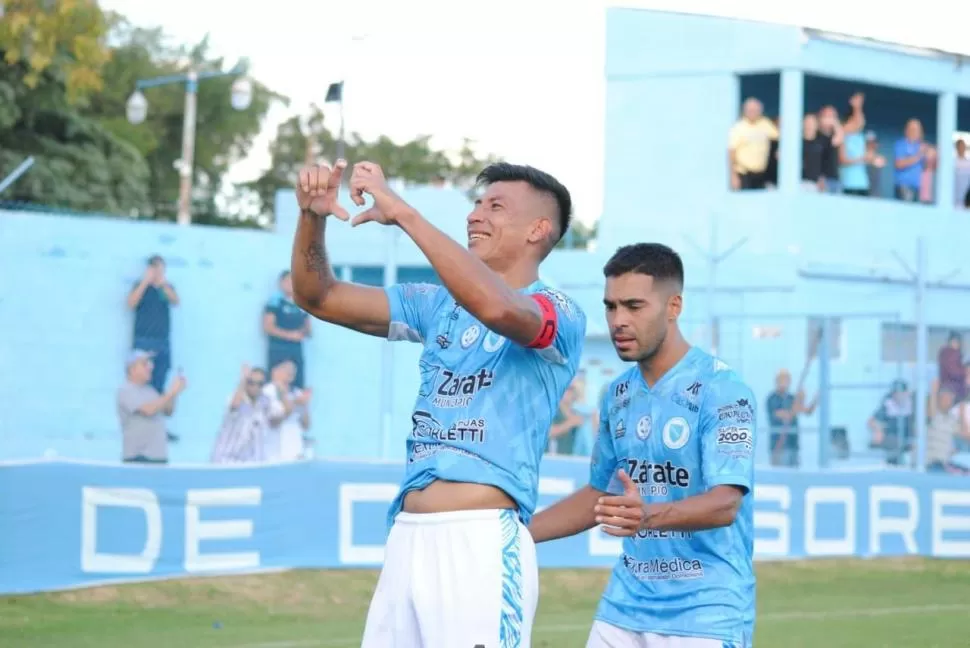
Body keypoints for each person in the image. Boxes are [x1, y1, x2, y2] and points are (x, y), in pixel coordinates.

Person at [290, 159, 586, 647]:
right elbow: (316, 295)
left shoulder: (560, 312)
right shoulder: (433, 304)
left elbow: (496, 308)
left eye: (496, 206)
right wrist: (311, 218)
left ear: (539, 230)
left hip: (480, 544)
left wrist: (406, 214)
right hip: (407, 536)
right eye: (476, 204)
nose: (475, 216)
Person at [529, 243, 756, 648]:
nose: (619, 320)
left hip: (706, 612)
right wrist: (516, 535)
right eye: (611, 307)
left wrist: (647, 515)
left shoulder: (722, 389)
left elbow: (726, 503)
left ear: (674, 306)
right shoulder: (617, 395)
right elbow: (602, 495)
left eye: (634, 306)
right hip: (624, 607)